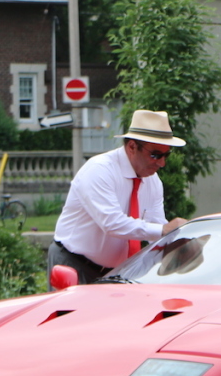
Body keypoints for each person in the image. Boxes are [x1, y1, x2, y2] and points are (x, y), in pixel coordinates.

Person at [49, 110, 190, 284]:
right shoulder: (99, 169)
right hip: (74, 264)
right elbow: (112, 223)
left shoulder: (153, 181)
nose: (162, 163)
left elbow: (158, 228)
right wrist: (164, 231)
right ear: (132, 147)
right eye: (155, 155)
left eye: (166, 155)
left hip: (117, 271)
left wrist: (182, 240)